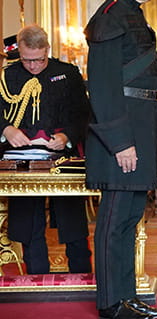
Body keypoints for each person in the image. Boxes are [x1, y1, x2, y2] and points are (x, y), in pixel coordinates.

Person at [84, 0, 157, 319]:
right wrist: (121, 143)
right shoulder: (109, 17)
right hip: (120, 136)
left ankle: (127, 298)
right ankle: (110, 304)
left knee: (131, 215)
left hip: (138, 126)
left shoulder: (129, 13)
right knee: (115, 219)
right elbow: (102, 87)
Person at [0, 24, 91, 274]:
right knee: (30, 223)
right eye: (27, 60)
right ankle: (36, 277)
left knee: (72, 222)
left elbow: (83, 115)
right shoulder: (7, 76)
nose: (33, 66)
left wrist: (66, 136)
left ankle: (81, 275)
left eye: (39, 60)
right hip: (20, 162)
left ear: (47, 50)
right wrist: (6, 129)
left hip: (62, 158)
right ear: (19, 52)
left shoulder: (68, 73)